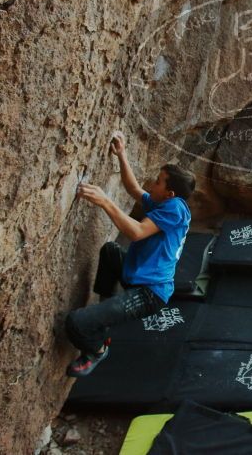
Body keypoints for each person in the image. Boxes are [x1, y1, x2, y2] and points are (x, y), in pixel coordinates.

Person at [64, 132, 195, 377]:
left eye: (159, 181)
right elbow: (133, 188)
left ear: (170, 194)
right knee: (111, 251)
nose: (153, 183)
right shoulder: (165, 203)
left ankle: (97, 349)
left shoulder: (174, 210)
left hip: (150, 293)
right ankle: (105, 311)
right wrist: (122, 154)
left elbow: (135, 232)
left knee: (77, 323)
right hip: (136, 275)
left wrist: (105, 201)